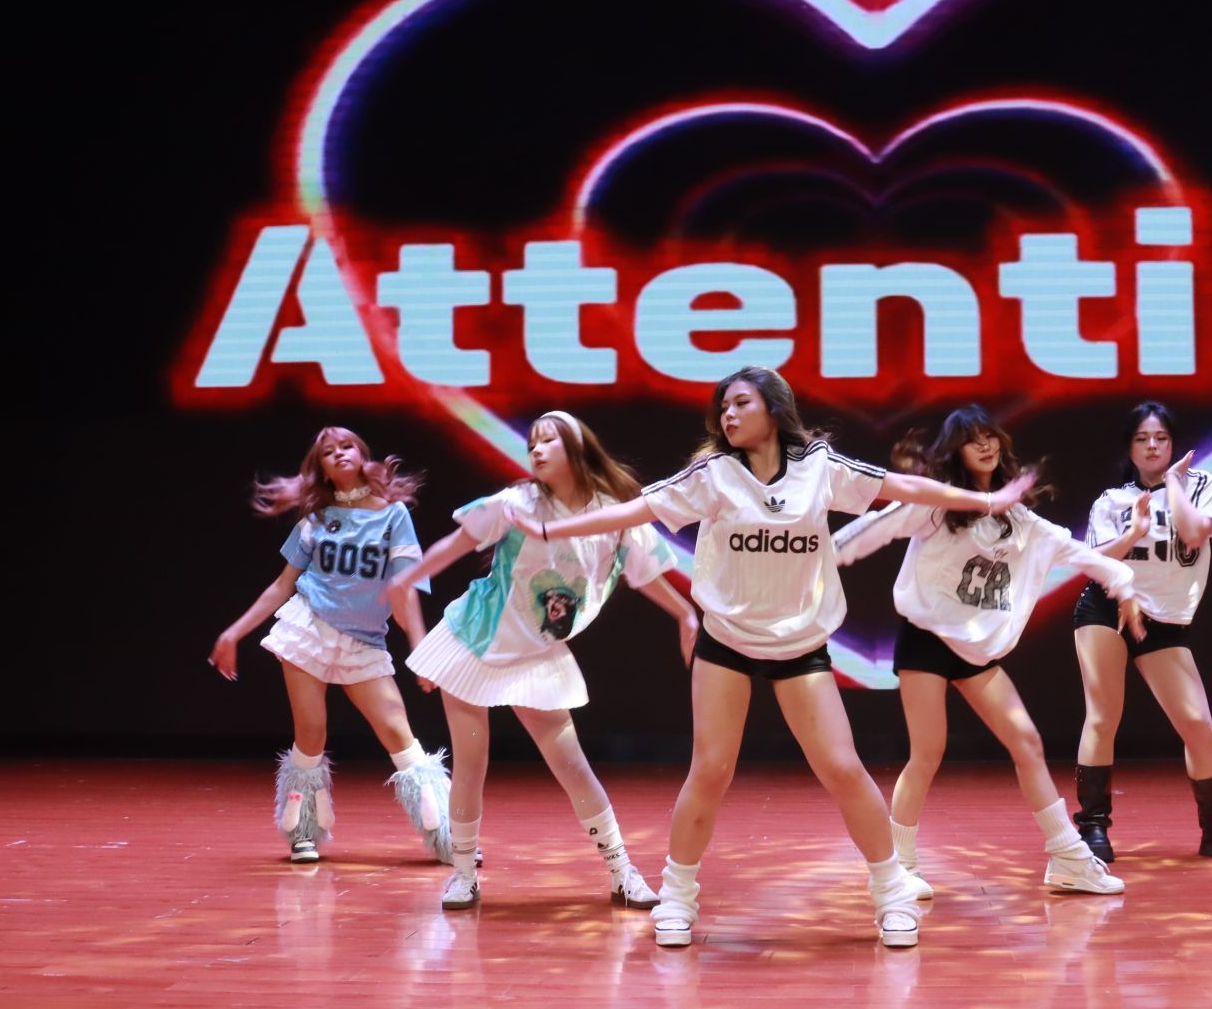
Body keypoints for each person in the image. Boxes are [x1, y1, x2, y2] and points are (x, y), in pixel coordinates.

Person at [517, 366, 1035, 949]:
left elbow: (905, 488)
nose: (728, 414)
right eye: (723, 407)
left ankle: (892, 893)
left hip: (799, 645)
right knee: (710, 771)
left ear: (774, 408)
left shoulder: (820, 466)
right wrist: (554, 529)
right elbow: (635, 511)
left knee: (842, 768)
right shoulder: (713, 474)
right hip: (727, 642)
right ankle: (678, 896)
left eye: (741, 403)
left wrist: (985, 498)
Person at [387, 410, 701, 913]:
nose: (536, 448)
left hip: (538, 654)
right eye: (532, 441)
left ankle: (622, 871)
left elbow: (645, 574)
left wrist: (685, 614)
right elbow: (456, 543)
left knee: (573, 766)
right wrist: (406, 580)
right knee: (471, 765)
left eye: (548, 439)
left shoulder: (614, 515)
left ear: (576, 447)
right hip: (476, 642)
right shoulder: (515, 504)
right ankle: (463, 875)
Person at [833, 404, 1145, 898]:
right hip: (926, 639)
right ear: (955, 451)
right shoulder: (938, 504)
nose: (984, 445)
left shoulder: (1022, 522)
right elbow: (871, 530)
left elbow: (1081, 555)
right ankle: (899, 867)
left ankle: (1068, 859)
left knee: (1026, 742)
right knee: (927, 752)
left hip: (976, 651)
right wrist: (816, 559)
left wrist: (1124, 585)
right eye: (971, 439)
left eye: (990, 436)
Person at [210, 426, 450, 865]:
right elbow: (282, 585)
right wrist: (233, 632)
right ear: (320, 467)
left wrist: (420, 650)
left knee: (398, 731)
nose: (339, 453)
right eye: (328, 451)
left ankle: (449, 837)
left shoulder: (393, 515)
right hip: (310, 629)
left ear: (362, 454)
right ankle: (302, 832)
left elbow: (405, 590)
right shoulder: (316, 519)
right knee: (311, 732)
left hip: (364, 641)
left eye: (347, 446)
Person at [1072, 401, 1212, 863]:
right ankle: (1093, 830)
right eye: (1142, 439)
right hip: (1108, 607)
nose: (1152, 446)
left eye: (1161, 438)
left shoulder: (1199, 485)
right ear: (1129, 448)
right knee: (1103, 717)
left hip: (1164, 619)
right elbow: (1093, 563)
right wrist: (1133, 532)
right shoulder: (1111, 501)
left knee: (1196, 721)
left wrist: (1173, 482)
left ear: (1173, 444)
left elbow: (1193, 534)